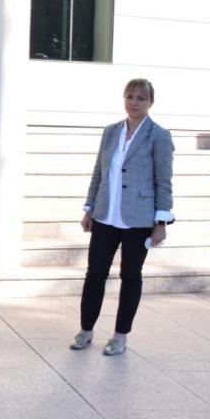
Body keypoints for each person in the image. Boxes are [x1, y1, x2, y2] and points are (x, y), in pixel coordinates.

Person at [71, 79, 174, 355]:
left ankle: (119, 336)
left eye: (141, 98)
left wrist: (160, 223)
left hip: (138, 220)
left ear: (151, 101)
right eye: (129, 96)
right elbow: (99, 172)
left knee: (130, 276)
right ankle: (86, 330)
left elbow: (163, 182)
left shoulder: (159, 136)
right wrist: (89, 208)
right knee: (94, 275)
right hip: (106, 215)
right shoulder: (111, 132)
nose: (134, 102)